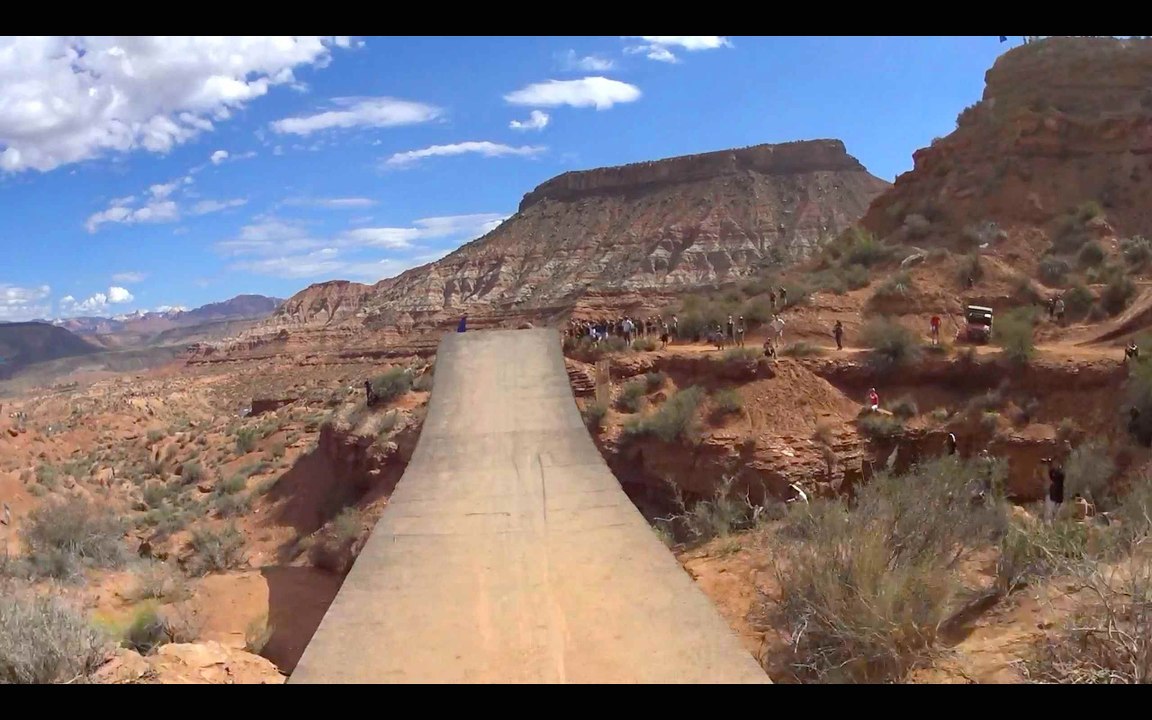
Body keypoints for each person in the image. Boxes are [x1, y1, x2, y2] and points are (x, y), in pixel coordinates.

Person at [1042, 457, 1066, 523]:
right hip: (1052, 495)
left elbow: (1050, 480)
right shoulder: (1053, 471)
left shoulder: (1060, 473)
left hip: (1056, 497)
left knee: (1053, 517)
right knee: (1048, 516)